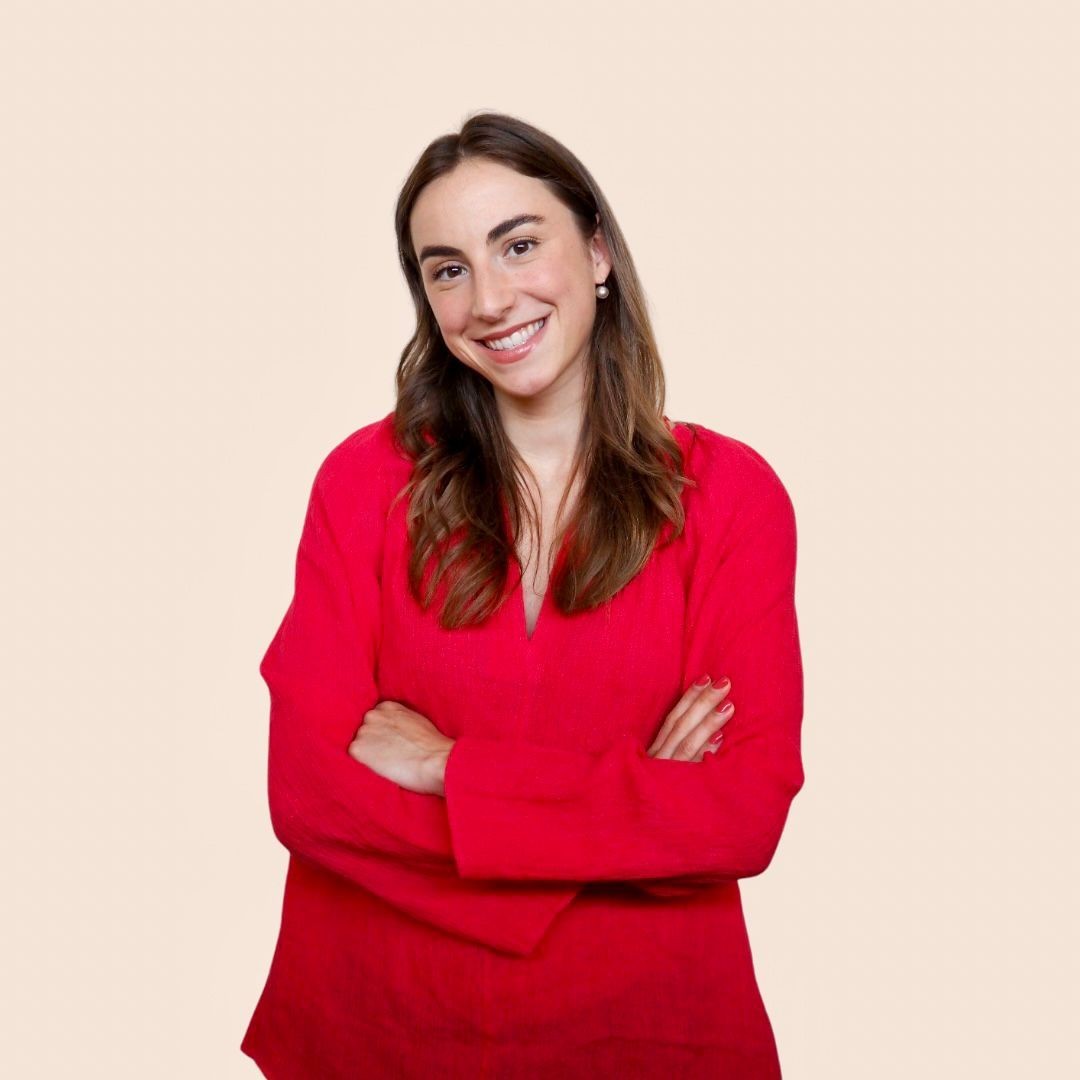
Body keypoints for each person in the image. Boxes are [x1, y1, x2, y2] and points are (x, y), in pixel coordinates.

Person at [240, 110, 805, 1078]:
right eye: (447, 267)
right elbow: (309, 796)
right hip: (377, 1026)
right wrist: (630, 824)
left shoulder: (730, 495)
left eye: (520, 244)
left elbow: (741, 815)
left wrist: (452, 771)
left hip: (646, 1032)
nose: (490, 299)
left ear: (595, 251)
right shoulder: (365, 481)